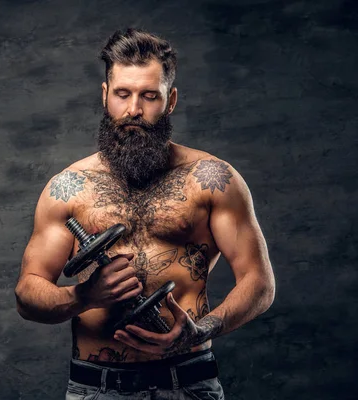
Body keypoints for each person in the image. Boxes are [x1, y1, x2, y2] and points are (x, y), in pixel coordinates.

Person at [14, 28, 275, 400]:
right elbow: (27, 294)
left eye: (149, 96)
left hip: (188, 383)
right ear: (106, 97)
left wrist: (204, 329)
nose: (134, 110)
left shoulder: (213, 180)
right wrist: (84, 296)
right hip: (96, 387)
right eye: (122, 94)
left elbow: (259, 282)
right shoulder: (67, 188)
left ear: (170, 101)